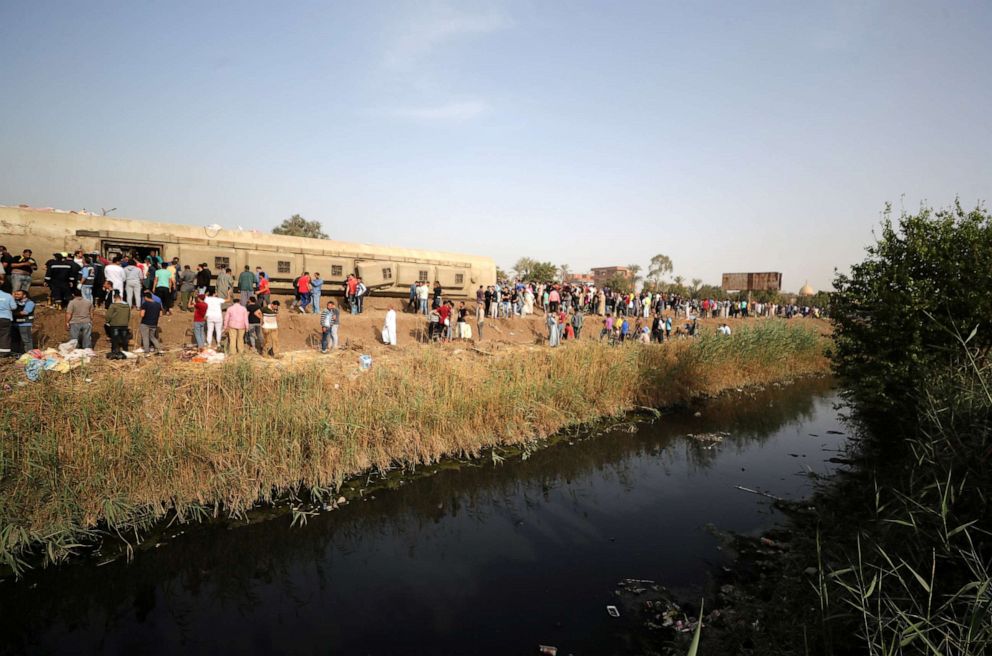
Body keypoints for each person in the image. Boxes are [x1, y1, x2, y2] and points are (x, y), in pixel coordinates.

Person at [105, 292, 131, 357]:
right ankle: (125, 350)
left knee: (115, 339)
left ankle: (115, 351)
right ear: (121, 298)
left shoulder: (113, 305)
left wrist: (108, 321)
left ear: (114, 298)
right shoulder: (127, 306)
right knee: (124, 338)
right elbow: (129, 315)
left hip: (115, 324)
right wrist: (126, 322)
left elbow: (108, 315)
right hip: (124, 324)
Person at [0, 282, 15, 357]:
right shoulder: (8, 296)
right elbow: (14, 307)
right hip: (5, 318)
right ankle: (4, 353)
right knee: (5, 335)